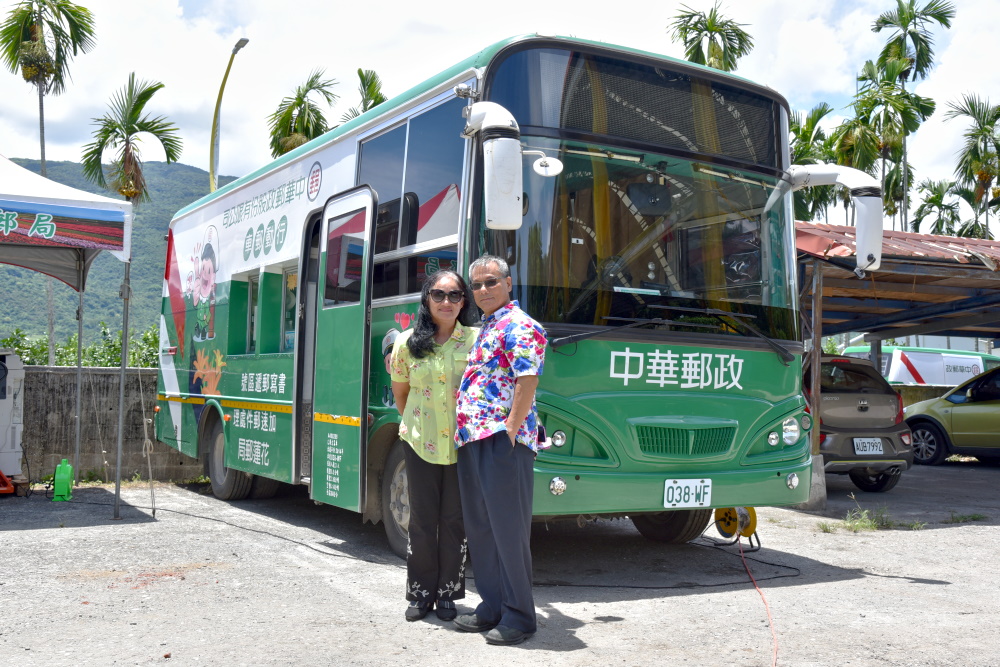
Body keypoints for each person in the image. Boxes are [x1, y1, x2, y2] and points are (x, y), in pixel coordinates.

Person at [453, 254, 547, 646]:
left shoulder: (521, 325)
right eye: (477, 285)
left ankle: (520, 616)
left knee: (507, 531)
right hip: (473, 438)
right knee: (481, 528)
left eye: (491, 282)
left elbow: (527, 379)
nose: (483, 290)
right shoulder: (489, 325)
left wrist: (510, 429)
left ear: (509, 284)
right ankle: (491, 606)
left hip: (501, 441)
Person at [390, 270, 478, 622]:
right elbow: (401, 394)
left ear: (463, 302)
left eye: (455, 295)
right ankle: (420, 593)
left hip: (462, 445)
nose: (446, 302)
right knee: (422, 520)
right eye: (439, 295)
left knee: (455, 520)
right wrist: (421, 424)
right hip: (420, 441)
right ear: (426, 299)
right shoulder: (407, 343)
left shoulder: (476, 340)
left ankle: (446, 594)